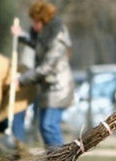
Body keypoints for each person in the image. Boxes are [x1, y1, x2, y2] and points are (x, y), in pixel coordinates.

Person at [12, 1, 74, 148]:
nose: (33, 25)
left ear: (43, 21)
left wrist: (21, 80)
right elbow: (37, 45)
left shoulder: (57, 38)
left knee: (49, 126)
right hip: (48, 88)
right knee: (44, 127)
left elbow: (46, 68)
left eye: (35, 21)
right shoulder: (44, 35)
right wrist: (21, 36)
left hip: (59, 88)